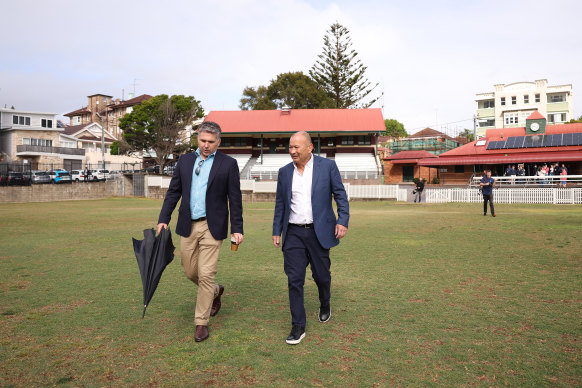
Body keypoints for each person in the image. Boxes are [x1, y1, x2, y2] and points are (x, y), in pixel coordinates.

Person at [157, 121, 243, 343]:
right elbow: (173, 192)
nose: (206, 145)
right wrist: (163, 219)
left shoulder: (228, 164)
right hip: (188, 224)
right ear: (198, 138)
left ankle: (201, 323)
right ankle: (215, 291)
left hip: (212, 227)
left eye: (211, 142)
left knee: (206, 273)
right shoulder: (185, 161)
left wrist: (237, 229)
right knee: (189, 271)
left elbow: (235, 198)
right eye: (203, 141)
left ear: (218, 142)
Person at [272, 131, 349, 345]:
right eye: (290, 147)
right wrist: (276, 229)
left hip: (319, 232)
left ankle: (325, 302)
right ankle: (298, 325)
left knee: (322, 276)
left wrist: (342, 220)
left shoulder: (327, 167)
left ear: (310, 147)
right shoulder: (284, 172)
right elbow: (280, 203)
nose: (292, 151)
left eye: (297, 147)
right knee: (294, 279)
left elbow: (340, 195)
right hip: (293, 232)